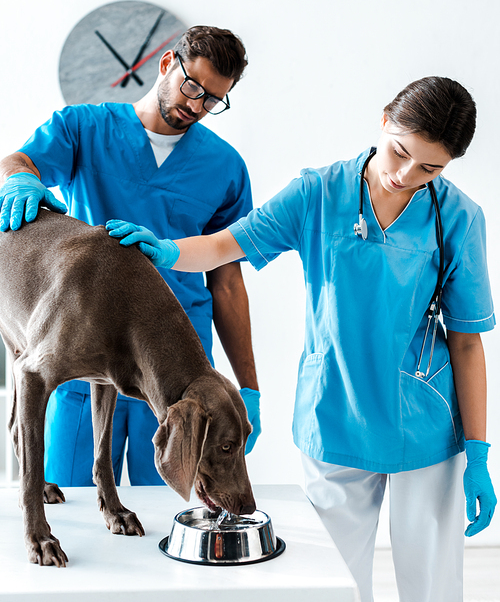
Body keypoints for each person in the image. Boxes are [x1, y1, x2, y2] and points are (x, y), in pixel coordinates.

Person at [106, 76, 495, 602]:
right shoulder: (319, 192)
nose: (406, 174)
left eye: (430, 169)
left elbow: (467, 342)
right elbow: (228, 243)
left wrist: (477, 453)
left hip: (425, 421)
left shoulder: (459, 217)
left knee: (432, 589)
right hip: (333, 413)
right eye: (400, 152)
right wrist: (169, 252)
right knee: (333, 582)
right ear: (384, 120)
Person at [0, 25, 261, 487]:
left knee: (165, 501)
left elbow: (227, 282)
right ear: (166, 64)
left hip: (172, 361)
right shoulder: (83, 127)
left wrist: (248, 385)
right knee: (70, 494)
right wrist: (19, 179)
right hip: (82, 342)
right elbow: (21, 161)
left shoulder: (225, 167)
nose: (196, 106)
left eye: (212, 100)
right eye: (192, 87)